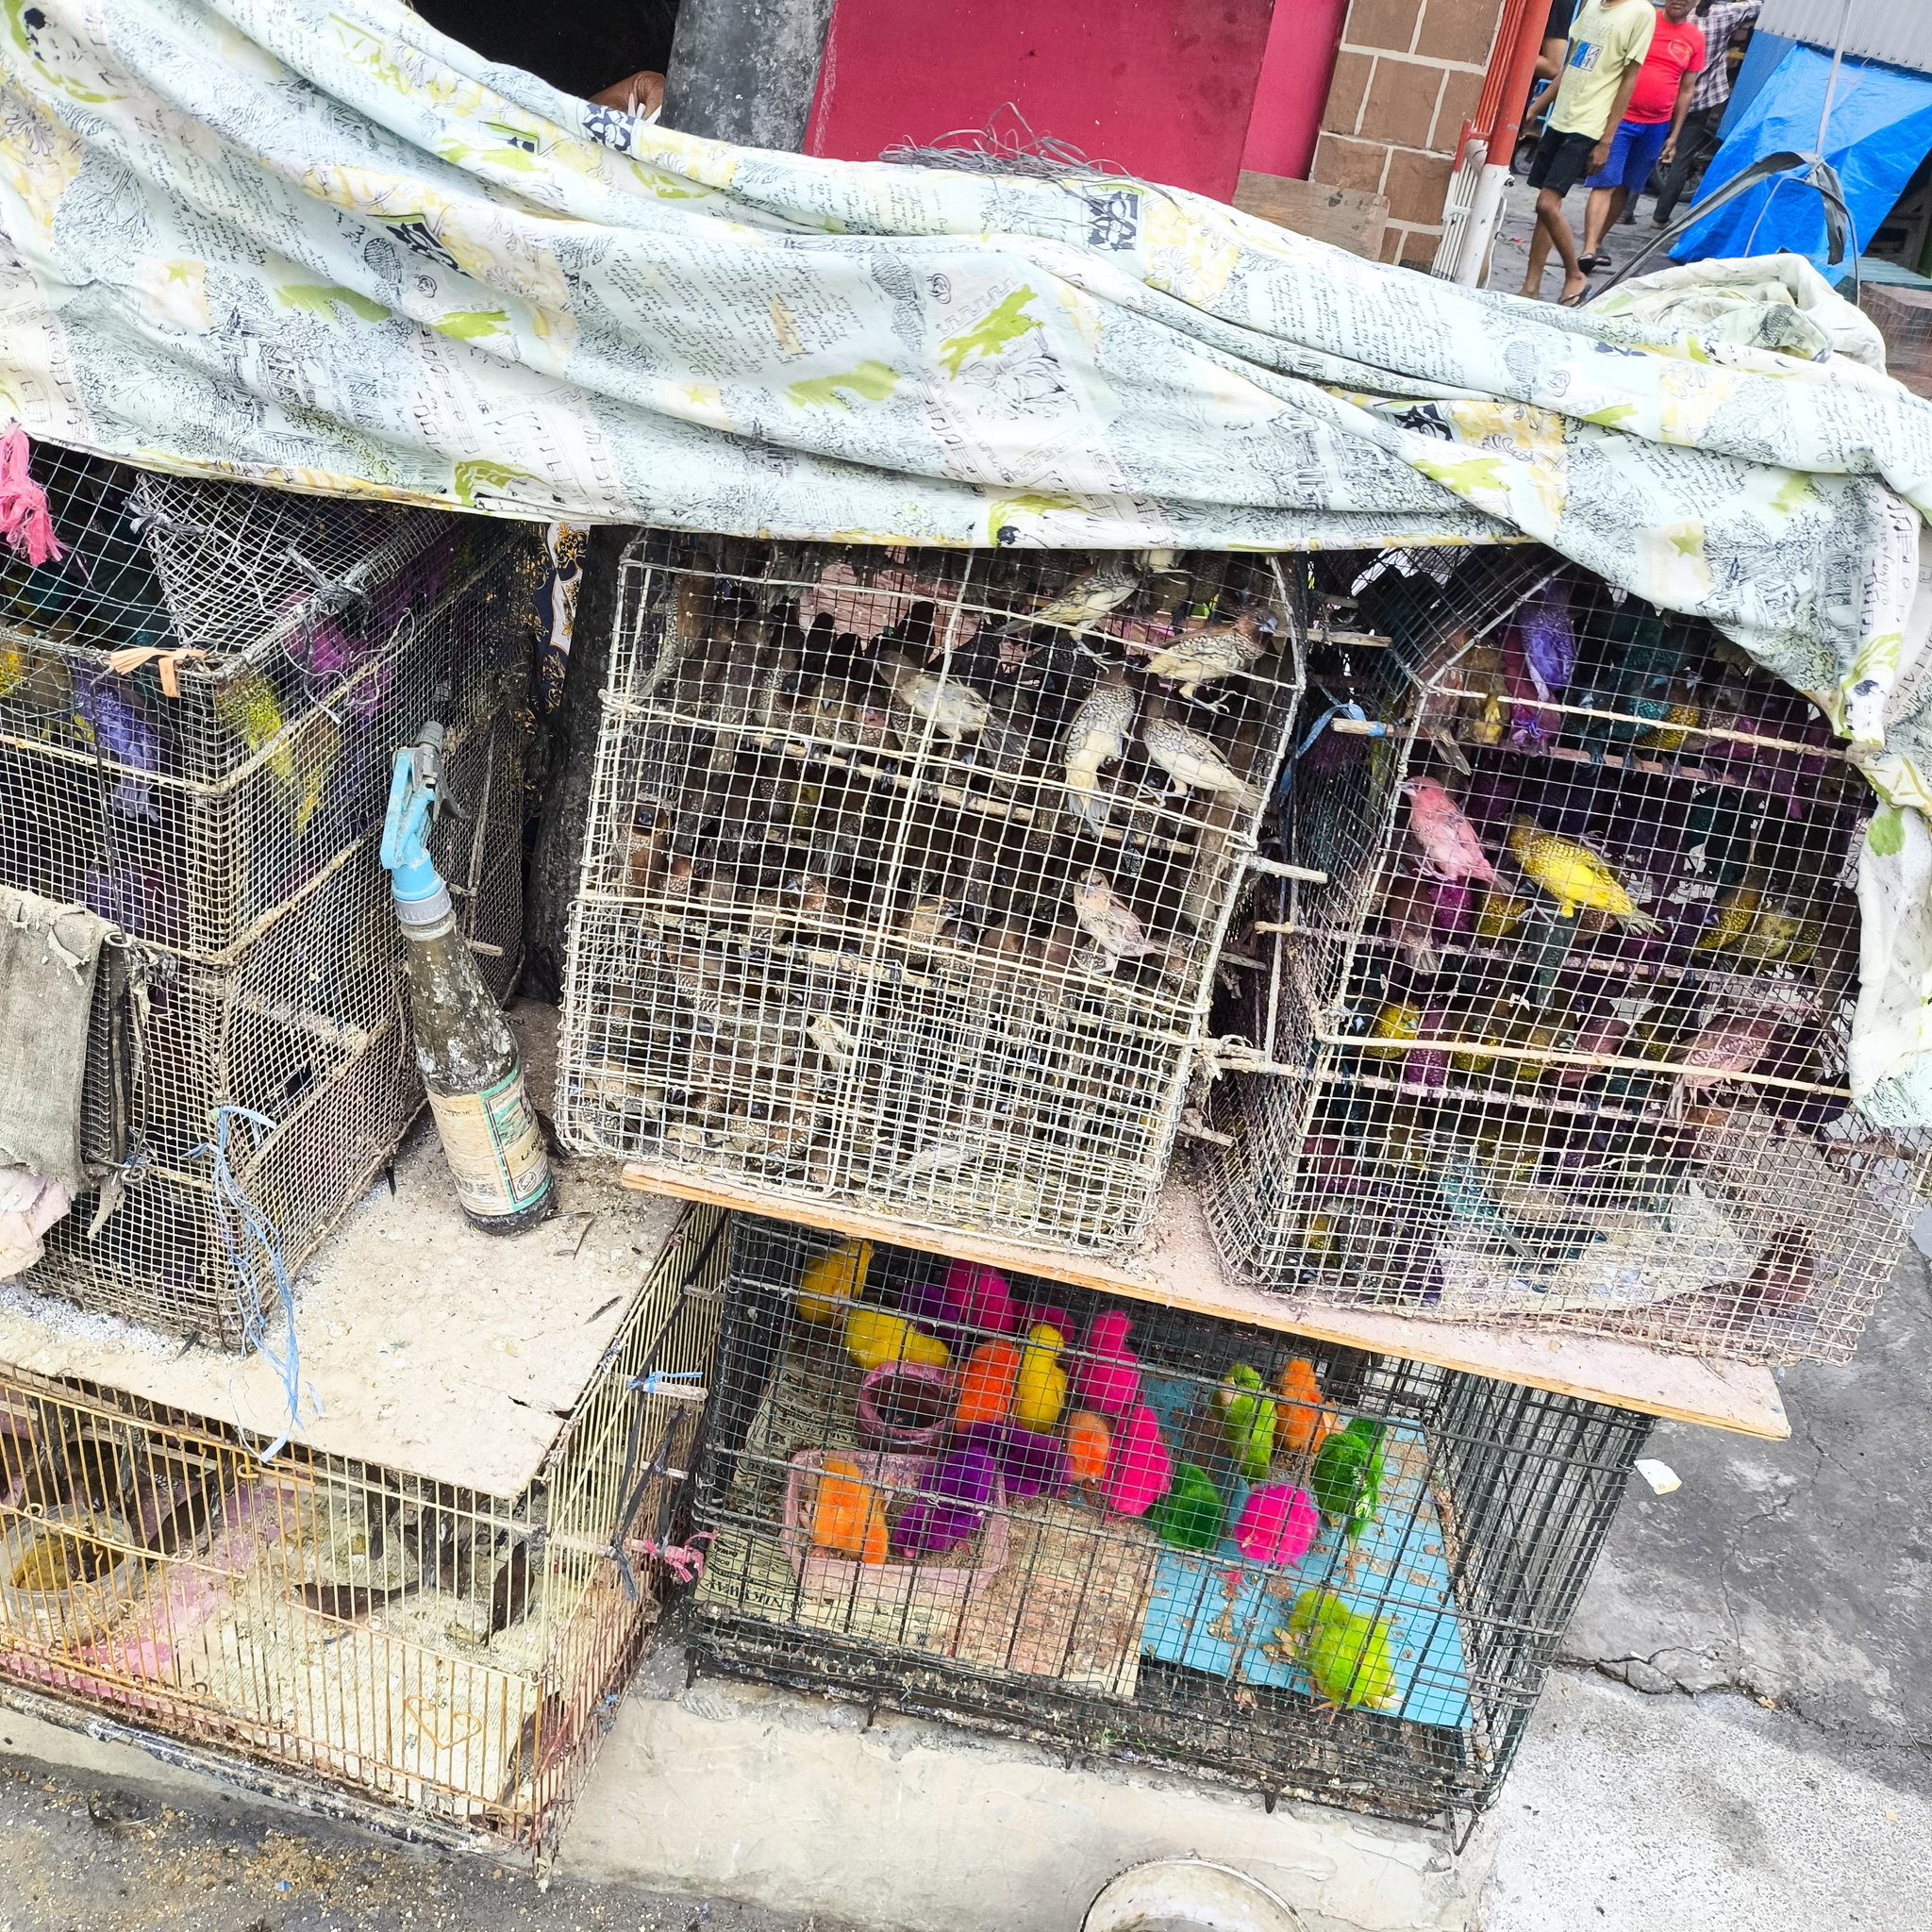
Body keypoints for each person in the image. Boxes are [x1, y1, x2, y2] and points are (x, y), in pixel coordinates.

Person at [1518, 0, 1657, 305]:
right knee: (1544, 209)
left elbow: (1628, 79)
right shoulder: (1591, 6)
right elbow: (1573, 64)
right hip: (1561, 118)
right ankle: (1531, 286)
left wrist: (1606, 139)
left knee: (1547, 204)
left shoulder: (1641, 12)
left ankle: (1575, 275)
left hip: (1588, 125)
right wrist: (1537, 107)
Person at [1577, 0, 1705, 268]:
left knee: (1626, 184)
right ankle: (1588, 250)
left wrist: (1674, 135)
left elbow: (1686, 89)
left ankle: (1597, 241)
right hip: (1620, 118)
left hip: (1656, 125)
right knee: (1606, 181)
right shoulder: (1644, 21)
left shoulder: (1695, 38)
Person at [1651, 1, 1761, 227]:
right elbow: (1757, 6)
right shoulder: (1722, 15)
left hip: (1664, 96)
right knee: (1682, 160)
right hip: (1698, 100)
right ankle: (1660, 217)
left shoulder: (1670, 16)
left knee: (1647, 152)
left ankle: (1625, 211)